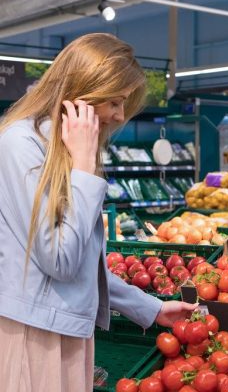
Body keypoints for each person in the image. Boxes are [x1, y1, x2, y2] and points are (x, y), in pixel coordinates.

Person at [0, 33, 198, 392]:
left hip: (68, 330)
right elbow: (59, 260)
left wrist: (150, 307)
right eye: (116, 102)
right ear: (86, 89)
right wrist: (84, 166)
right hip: (36, 335)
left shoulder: (65, 150)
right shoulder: (21, 144)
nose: (119, 116)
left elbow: (83, 265)